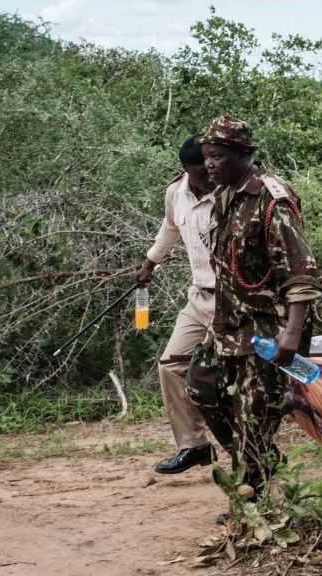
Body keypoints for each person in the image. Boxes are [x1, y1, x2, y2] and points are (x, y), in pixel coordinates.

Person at [185, 116, 322, 493]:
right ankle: (261, 459)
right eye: (206, 156)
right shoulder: (224, 195)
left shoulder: (272, 199)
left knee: (254, 416)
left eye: (217, 156)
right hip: (232, 323)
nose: (209, 164)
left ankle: (250, 499)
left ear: (243, 154)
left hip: (270, 326)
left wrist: (292, 335)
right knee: (200, 385)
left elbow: (301, 271)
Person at [136, 137, 215, 475]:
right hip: (199, 296)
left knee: (229, 374)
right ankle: (194, 445)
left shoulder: (231, 193)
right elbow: (169, 229)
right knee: (171, 365)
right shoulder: (175, 193)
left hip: (235, 300)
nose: (208, 177)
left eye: (210, 168)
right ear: (186, 170)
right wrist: (149, 264)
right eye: (200, 171)